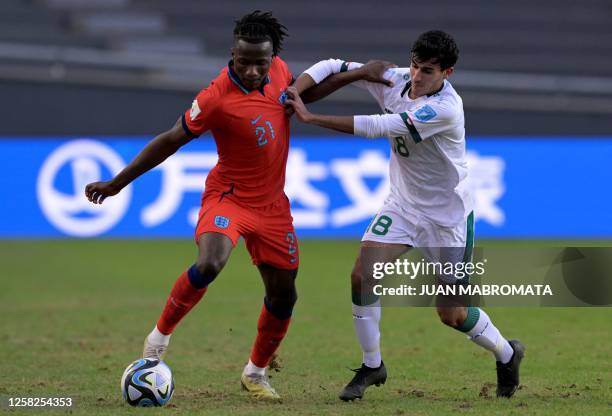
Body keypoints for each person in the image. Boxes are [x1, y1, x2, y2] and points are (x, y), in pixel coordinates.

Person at [84, 11, 392, 401]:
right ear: (232, 53)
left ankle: (256, 373)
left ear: (272, 58)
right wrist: (117, 182)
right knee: (210, 262)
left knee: (284, 296)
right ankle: (156, 342)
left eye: (258, 63)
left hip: (273, 208)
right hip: (228, 198)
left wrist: (359, 74)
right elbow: (170, 139)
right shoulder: (216, 98)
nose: (249, 70)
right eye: (242, 61)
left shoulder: (279, 71)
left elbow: (301, 95)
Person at [286, 30, 525, 401]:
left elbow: (383, 127)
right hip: (402, 206)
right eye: (414, 65)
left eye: (427, 70)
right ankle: (372, 364)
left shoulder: (446, 108)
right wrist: (295, 90)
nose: (416, 76)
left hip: (448, 220)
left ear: (448, 73)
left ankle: (507, 354)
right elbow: (332, 65)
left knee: (453, 314)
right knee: (362, 275)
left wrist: (310, 117)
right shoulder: (396, 78)